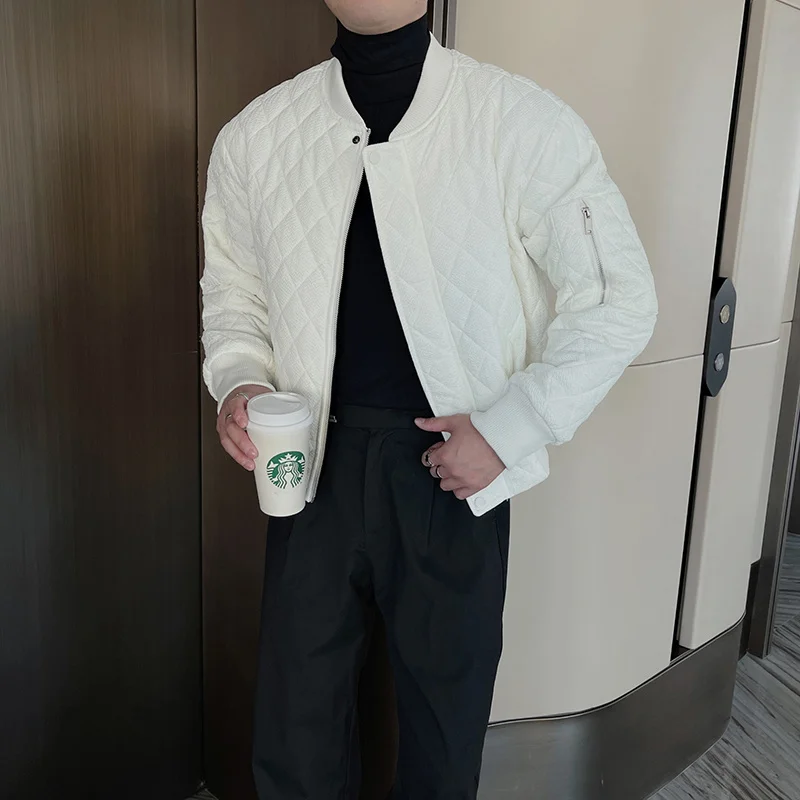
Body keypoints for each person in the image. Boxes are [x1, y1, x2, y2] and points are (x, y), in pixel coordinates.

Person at [199, 0, 658, 796]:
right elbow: (235, 293)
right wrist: (239, 378)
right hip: (310, 465)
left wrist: (511, 429)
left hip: (454, 472)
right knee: (295, 723)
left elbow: (618, 301)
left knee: (444, 726)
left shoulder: (520, 122)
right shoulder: (257, 134)